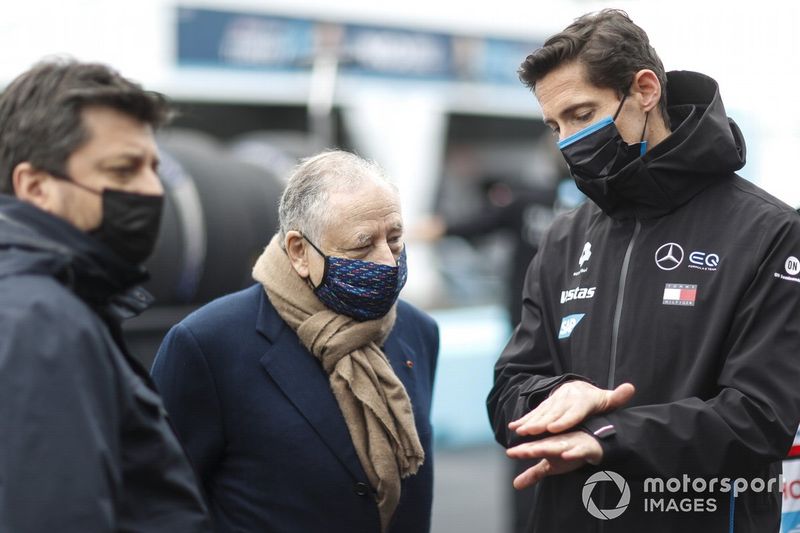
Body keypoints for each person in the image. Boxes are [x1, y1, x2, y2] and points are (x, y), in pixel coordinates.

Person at [487, 9, 800, 532]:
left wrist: (609, 433)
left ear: (646, 90)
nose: (567, 140)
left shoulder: (768, 231)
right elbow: (509, 389)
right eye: (555, 124)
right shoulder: (565, 237)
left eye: (582, 114)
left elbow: (761, 416)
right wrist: (557, 397)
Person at [151, 150, 439, 533]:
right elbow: (160, 502)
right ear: (300, 252)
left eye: (395, 238)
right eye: (361, 245)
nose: (386, 261)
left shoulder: (417, 331)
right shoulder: (208, 343)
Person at [0, 60, 211, 531]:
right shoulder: (40, 318)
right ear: (35, 187)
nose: (152, 190)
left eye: (153, 168)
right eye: (123, 170)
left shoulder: (59, 298)